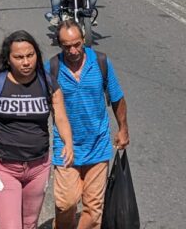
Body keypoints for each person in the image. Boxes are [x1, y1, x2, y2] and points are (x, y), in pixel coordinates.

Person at [0, 31, 74, 229]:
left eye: (30, 55)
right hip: (3, 168)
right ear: (8, 59)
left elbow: (60, 117)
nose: (26, 62)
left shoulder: (48, 83)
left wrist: (68, 143)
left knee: (29, 224)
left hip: (38, 168)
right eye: (19, 57)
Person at [49, 20, 129, 229]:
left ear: (84, 39)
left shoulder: (100, 62)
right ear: (60, 45)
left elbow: (117, 97)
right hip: (66, 147)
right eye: (67, 46)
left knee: (93, 209)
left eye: (77, 44)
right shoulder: (52, 68)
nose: (73, 50)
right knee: (65, 203)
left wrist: (123, 129)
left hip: (97, 145)